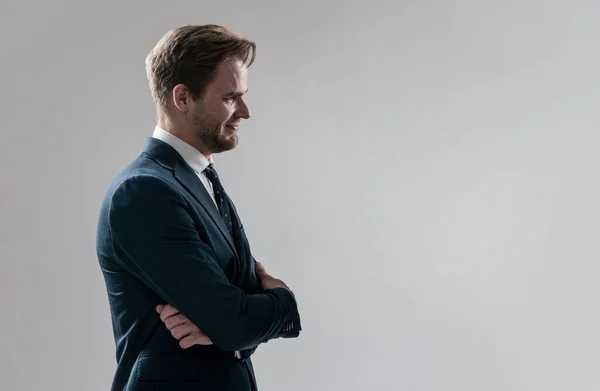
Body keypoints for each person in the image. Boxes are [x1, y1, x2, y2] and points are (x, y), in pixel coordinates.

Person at [96, 24, 301, 391]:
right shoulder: (144, 193)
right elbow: (233, 320)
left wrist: (232, 327)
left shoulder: (198, 180)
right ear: (183, 98)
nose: (245, 111)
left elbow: (235, 315)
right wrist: (282, 301)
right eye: (229, 98)